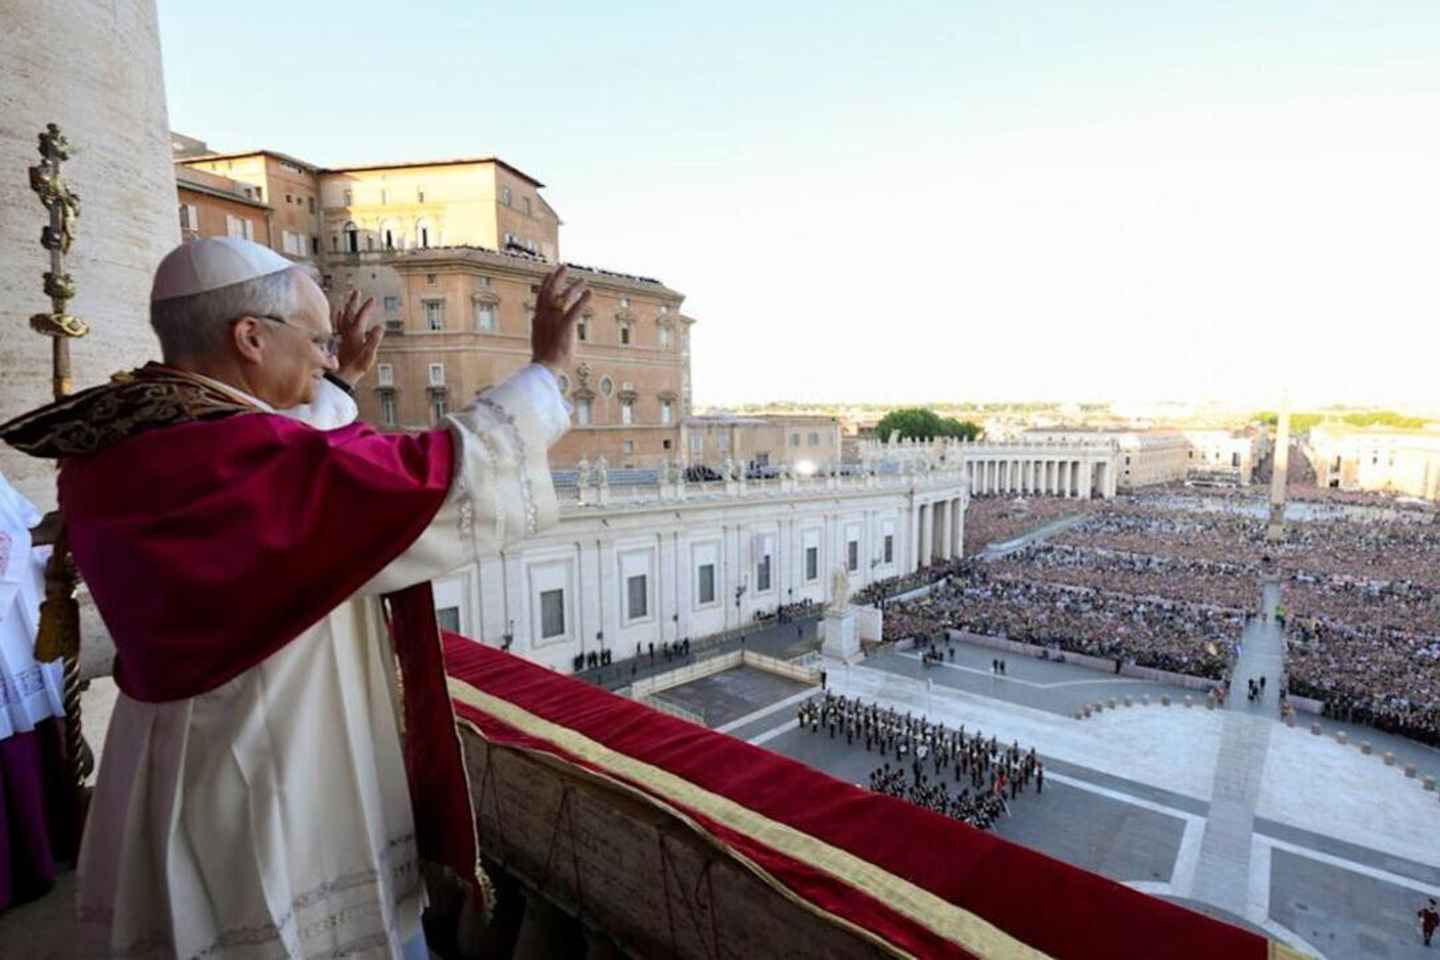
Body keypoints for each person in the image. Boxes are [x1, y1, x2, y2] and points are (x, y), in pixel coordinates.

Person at [0, 237, 588, 959]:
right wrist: (546, 374)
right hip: (263, 761)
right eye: (315, 342)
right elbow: (427, 477)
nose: (325, 358)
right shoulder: (233, 460)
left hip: (170, 752)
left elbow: (297, 457)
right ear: (249, 336)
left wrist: (335, 388)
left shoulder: (133, 434)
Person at [0, 471, 68, 912]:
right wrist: (39, 533)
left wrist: (52, 544)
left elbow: (19, 519)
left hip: (18, 625)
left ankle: (50, 849)